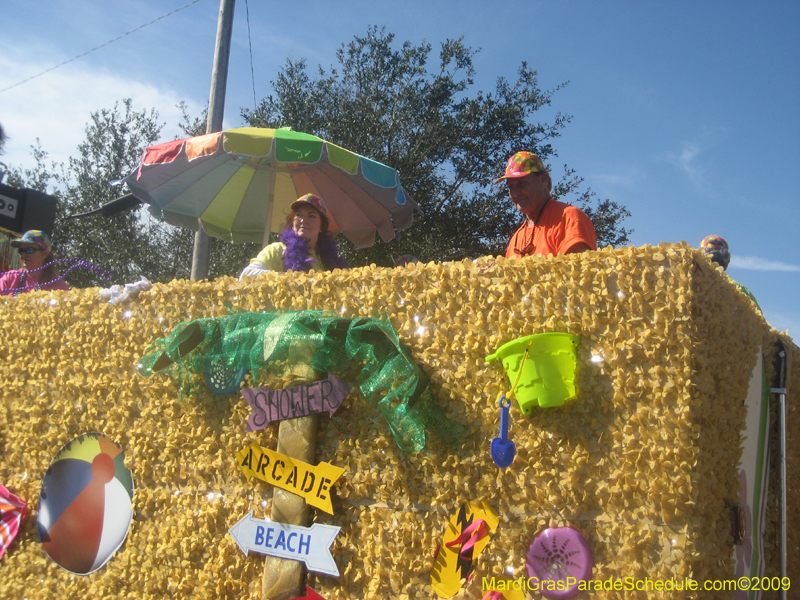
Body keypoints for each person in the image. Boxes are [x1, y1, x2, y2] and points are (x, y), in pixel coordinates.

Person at [496, 151, 597, 259]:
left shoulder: (569, 218)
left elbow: (577, 272)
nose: (515, 193)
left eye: (521, 184)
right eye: (510, 187)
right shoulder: (516, 239)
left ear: (544, 181)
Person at [239, 194, 349, 279]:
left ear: (321, 226)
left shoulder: (329, 260)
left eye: (311, 216)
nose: (303, 220)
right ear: (292, 221)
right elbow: (246, 275)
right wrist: (291, 279)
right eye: (299, 215)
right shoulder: (278, 250)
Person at [699, 235, 761, 312]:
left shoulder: (688, 281)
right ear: (726, 264)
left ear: (700, 258)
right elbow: (759, 321)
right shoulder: (742, 291)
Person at [0, 230, 69, 296]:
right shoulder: (9, 278)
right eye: (21, 251)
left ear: (45, 254)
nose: (23, 255)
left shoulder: (59, 288)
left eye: (29, 250)